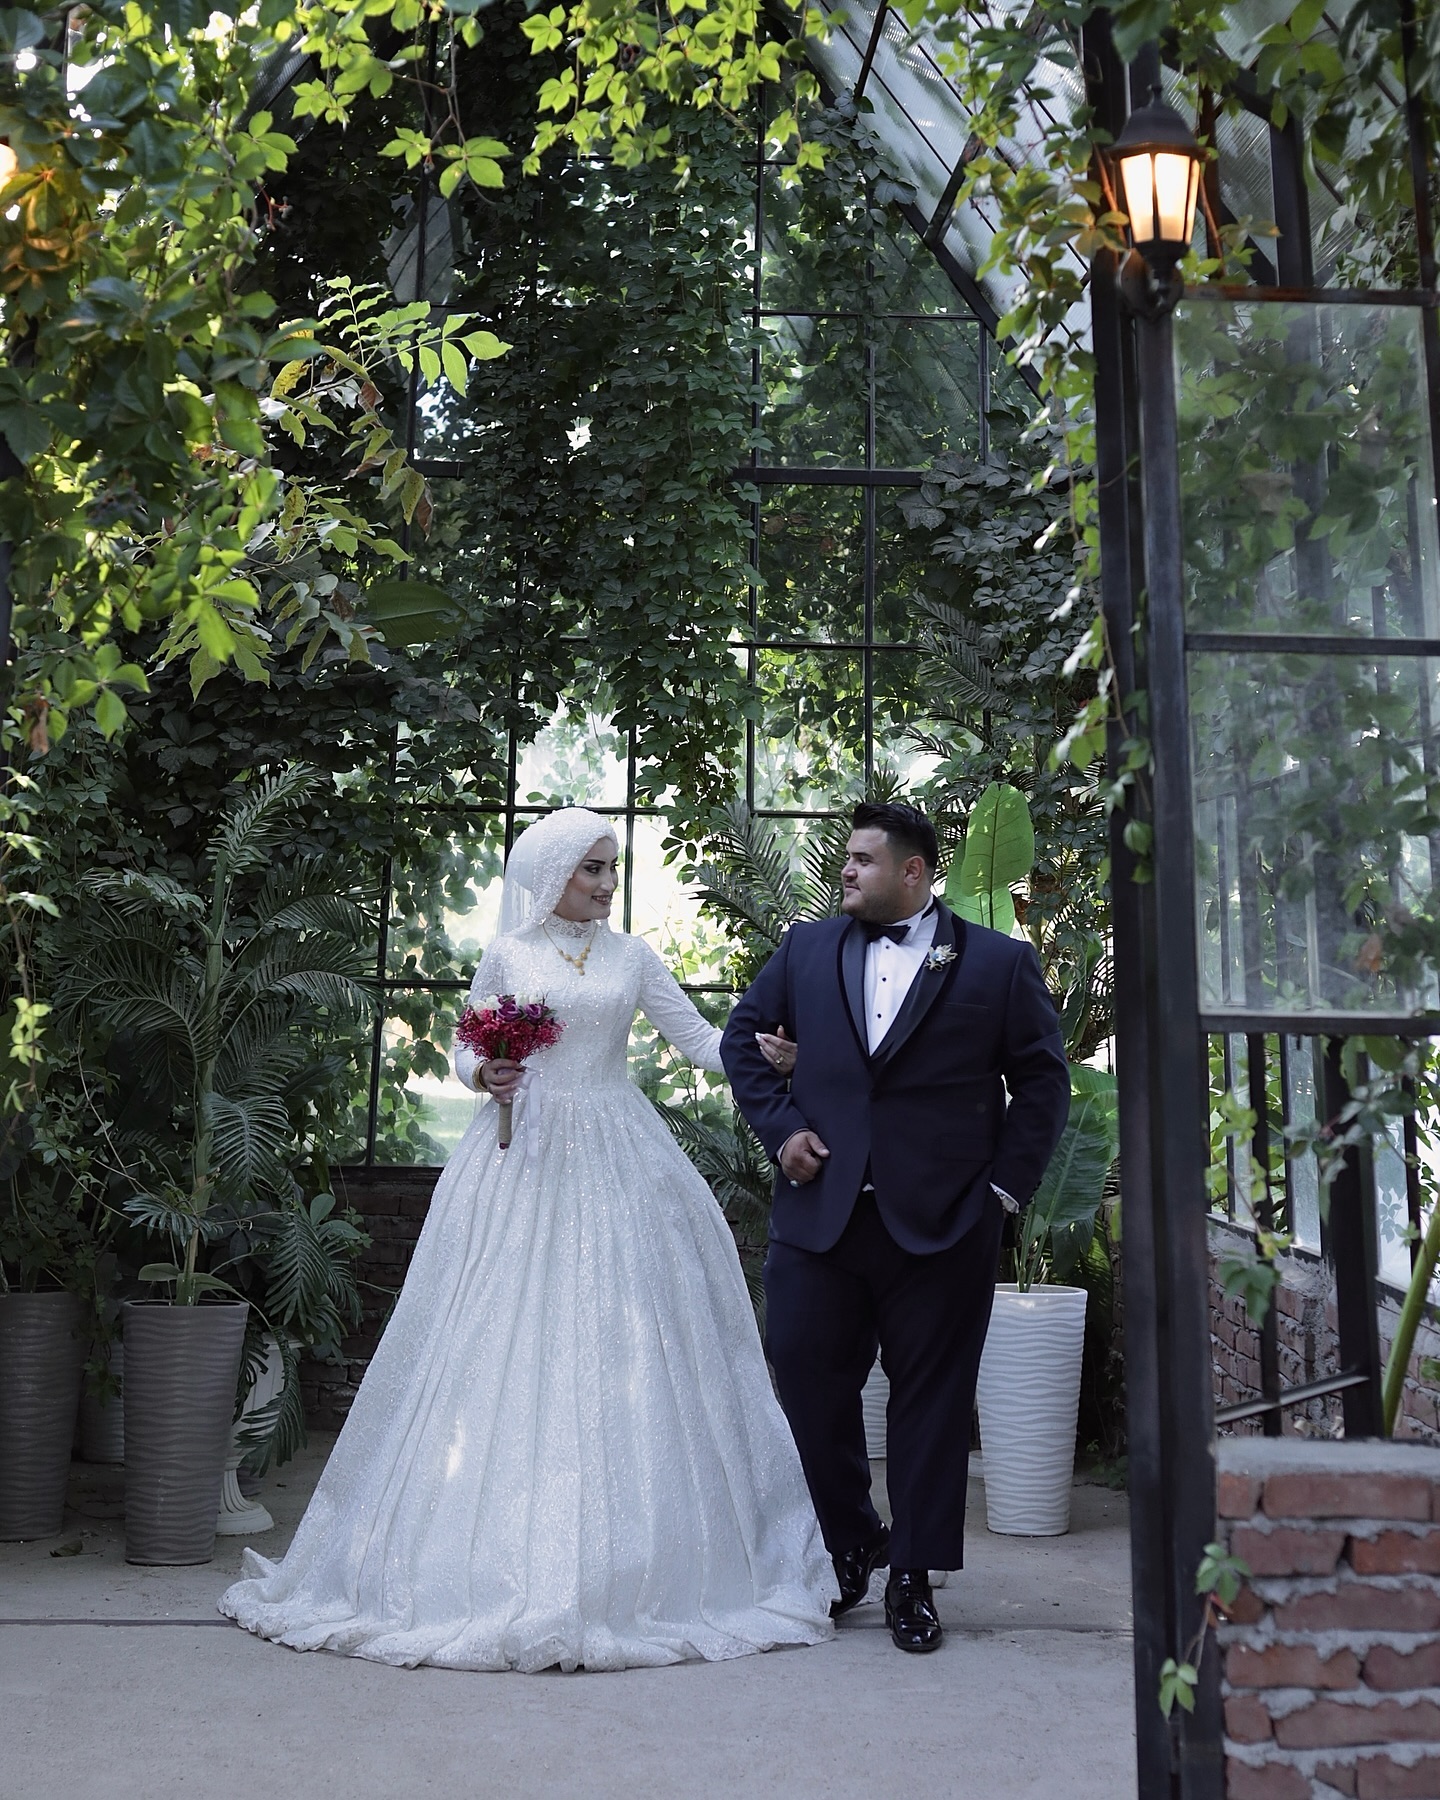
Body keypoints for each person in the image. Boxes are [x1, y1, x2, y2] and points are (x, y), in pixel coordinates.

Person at [220, 807, 836, 1671]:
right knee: (496, 1333)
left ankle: (647, 1559)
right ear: (553, 873)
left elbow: (701, 1042)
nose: (607, 883)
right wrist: (490, 1071)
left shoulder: (632, 956)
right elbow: (466, 1050)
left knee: (632, 1335)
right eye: (592, 869)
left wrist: (771, 1056)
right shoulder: (511, 954)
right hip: (526, 1155)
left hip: (621, 1152)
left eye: (612, 869)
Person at [722, 801, 1070, 1654]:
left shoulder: (996, 964)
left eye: (862, 859)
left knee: (932, 1407)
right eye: (845, 857)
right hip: (822, 1218)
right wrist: (783, 1130)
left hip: (945, 1223)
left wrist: (1001, 1195)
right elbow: (740, 1040)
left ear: (912, 872)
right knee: (805, 1381)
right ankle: (854, 1542)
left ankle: (912, 1576)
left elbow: (1043, 1082)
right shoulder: (805, 950)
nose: (844, 870)